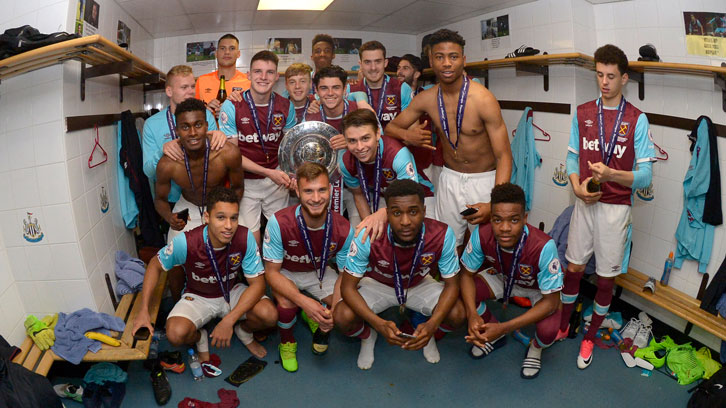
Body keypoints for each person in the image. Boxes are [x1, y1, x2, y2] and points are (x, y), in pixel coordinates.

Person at [558, 44, 655, 370]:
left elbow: (645, 177)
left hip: (616, 209)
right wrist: (575, 185)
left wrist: (612, 174)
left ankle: (590, 336)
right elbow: (573, 156)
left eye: (611, 76)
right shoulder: (584, 112)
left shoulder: (636, 120)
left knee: (603, 278)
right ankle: (563, 322)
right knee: (573, 268)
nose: (604, 82)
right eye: (600, 74)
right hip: (585, 203)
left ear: (624, 78)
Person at [385, 29, 512, 250]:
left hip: (483, 182)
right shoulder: (427, 98)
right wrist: (408, 136)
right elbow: (390, 128)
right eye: (439, 57)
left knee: (486, 246)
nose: (446, 63)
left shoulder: (483, 99)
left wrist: (494, 203)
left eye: (453, 57)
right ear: (431, 62)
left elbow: (504, 156)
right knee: (449, 244)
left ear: (463, 60)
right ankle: (453, 284)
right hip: (449, 181)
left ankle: (481, 283)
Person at [132, 187, 277, 361]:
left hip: (231, 291)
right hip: (198, 295)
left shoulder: (244, 237)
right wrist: (143, 311)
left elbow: (259, 284)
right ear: (207, 217)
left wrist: (230, 321)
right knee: (175, 334)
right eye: (221, 217)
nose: (229, 226)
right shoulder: (187, 241)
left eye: (234, 218)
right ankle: (200, 337)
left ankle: (244, 331)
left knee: (269, 315)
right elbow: (155, 265)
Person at [334, 179, 465, 370]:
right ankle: (368, 336)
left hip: (419, 284)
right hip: (379, 285)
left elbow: (453, 285)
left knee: (458, 314)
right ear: (387, 214)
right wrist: (377, 323)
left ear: (424, 211)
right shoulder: (367, 235)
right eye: (397, 213)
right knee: (342, 316)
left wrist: (433, 325)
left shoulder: (442, 234)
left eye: (413, 212)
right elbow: (347, 288)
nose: (405, 222)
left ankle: (426, 336)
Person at [141, 65, 227, 302]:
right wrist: (164, 152)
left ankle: (217, 293)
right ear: (169, 90)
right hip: (174, 201)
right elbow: (148, 170)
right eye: (184, 87)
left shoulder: (206, 115)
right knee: (177, 255)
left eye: (193, 86)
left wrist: (219, 136)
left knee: (215, 249)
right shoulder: (153, 125)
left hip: (206, 196)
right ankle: (179, 297)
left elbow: (217, 154)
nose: (191, 91)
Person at [460, 183, 563, 379]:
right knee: (462, 292)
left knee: (548, 331)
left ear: (525, 219)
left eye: (514, 220)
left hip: (537, 288)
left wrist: (506, 327)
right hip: (503, 277)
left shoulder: (543, 246)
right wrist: (472, 314)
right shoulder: (481, 235)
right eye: (497, 220)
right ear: (491, 219)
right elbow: (465, 276)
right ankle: (494, 333)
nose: (505, 228)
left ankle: (535, 348)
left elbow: (550, 301)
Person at [263, 162, 354, 372]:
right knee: (287, 304)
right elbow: (271, 272)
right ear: (297, 191)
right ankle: (287, 343)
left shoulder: (344, 228)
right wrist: (305, 302)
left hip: (318, 273)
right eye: (308, 191)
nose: (316, 198)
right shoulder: (279, 222)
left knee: (344, 311)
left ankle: (315, 315)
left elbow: (344, 275)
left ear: (330, 189)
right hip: (286, 271)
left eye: (322, 190)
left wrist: (333, 310)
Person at [219, 50, 297, 246]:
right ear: (249, 75)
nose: (263, 77)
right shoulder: (232, 106)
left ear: (276, 77)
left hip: (277, 181)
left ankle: (273, 275)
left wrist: (292, 174)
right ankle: (254, 276)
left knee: (278, 238)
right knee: (250, 243)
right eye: (258, 71)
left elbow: (290, 147)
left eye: (270, 72)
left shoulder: (286, 106)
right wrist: (267, 172)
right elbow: (232, 156)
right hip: (245, 182)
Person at [154, 98, 244, 243]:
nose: (193, 132)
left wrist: (226, 212)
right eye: (185, 127)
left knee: (230, 248)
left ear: (207, 126)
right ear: (177, 130)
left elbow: (238, 188)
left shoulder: (228, 153)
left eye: (198, 125)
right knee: (175, 253)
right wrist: (170, 217)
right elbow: (159, 200)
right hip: (188, 206)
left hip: (219, 203)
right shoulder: (167, 164)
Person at [338, 109, 434, 228]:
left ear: (378, 134)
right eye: (352, 140)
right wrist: (369, 225)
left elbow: (407, 197)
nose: (360, 147)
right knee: (362, 235)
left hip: (418, 196)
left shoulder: (397, 154)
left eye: (365, 138)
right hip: (381, 197)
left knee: (418, 234)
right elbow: (359, 195)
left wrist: (382, 214)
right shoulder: (345, 163)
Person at [303, 65, 359, 215]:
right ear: (316, 90)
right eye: (324, 88)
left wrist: (351, 142)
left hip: (358, 186)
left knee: (359, 233)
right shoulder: (310, 118)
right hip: (323, 188)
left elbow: (377, 145)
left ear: (345, 89)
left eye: (336, 87)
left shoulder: (359, 112)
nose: (330, 93)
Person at [346, 41, 413, 130]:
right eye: (367, 62)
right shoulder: (350, 89)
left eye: (378, 61)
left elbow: (410, 130)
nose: (373, 68)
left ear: (385, 63)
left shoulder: (402, 88)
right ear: (360, 64)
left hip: (394, 143)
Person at [195, 34, 251, 117]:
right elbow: (193, 113)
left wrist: (234, 111)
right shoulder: (202, 80)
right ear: (216, 53)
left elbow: (255, 115)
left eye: (232, 48)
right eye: (222, 48)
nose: (227, 52)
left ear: (238, 54)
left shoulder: (248, 81)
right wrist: (206, 111)